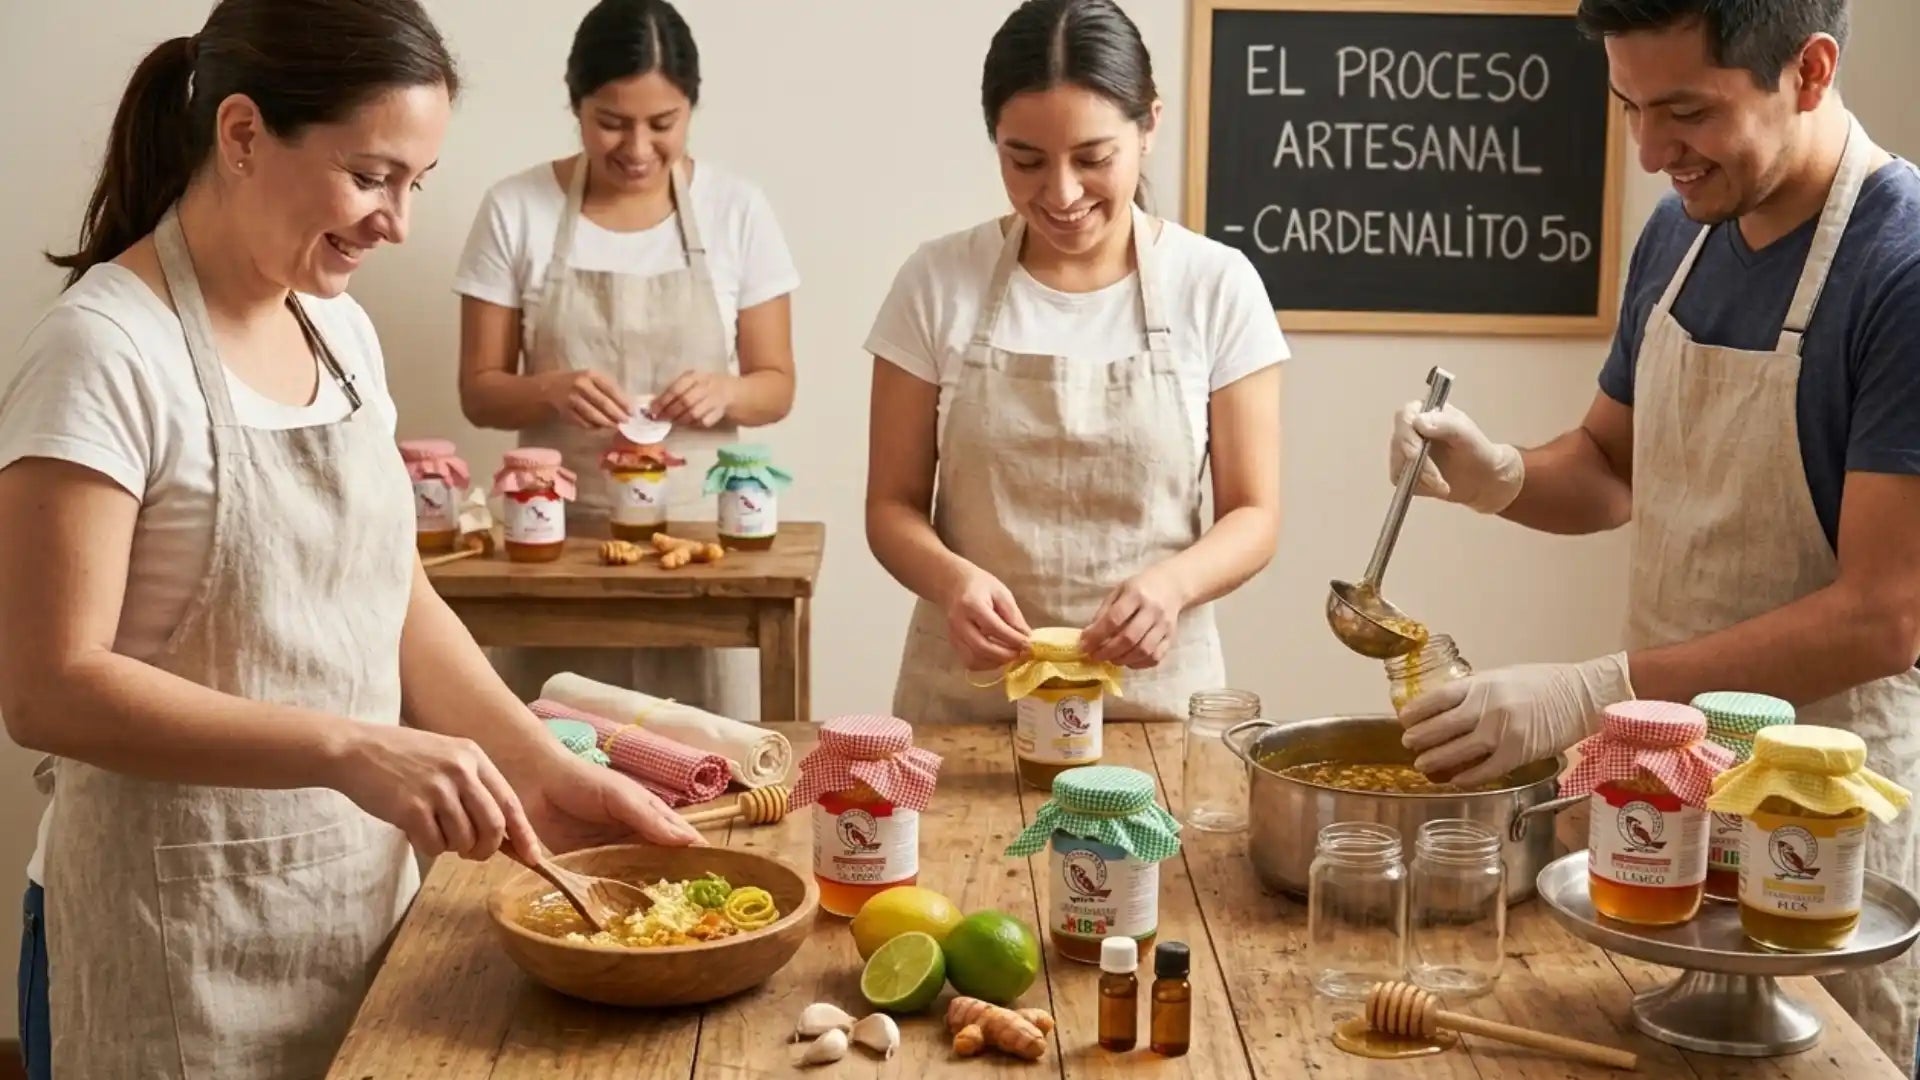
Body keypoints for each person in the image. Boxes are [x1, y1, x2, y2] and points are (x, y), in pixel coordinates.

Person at [0, 3, 702, 1076]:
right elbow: (49, 689)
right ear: (241, 135)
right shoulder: (103, 352)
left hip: (354, 919)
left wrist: (539, 769)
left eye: (415, 182)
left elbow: (395, 600)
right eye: (372, 177)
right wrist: (347, 747)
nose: (399, 222)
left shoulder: (338, 329)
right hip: (166, 943)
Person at [1384, 0, 1920, 1068]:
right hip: (1656, 799)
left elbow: (1886, 615)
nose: (1647, 152)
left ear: (1809, 71)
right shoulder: (1683, 231)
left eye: (1685, 111)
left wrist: (1594, 692)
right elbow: (1611, 466)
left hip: (1809, 835)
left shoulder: (1898, 268)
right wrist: (1496, 475)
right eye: (1629, 106)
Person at [866, 0, 1286, 723]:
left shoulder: (1216, 285)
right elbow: (891, 504)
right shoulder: (936, 281)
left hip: (1154, 712)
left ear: (1150, 125)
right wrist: (953, 582)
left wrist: (1174, 587)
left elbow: (1254, 512)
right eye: (1024, 159)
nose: (1060, 194)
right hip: (968, 705)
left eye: (1093, 159)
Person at [454, 0, 799, 717]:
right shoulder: (516, 209)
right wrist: (550, 388)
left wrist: (724, 393)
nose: (637, 148)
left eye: (662, 123)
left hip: (705, 551)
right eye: (611, 122)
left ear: (690, 110)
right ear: (575, 105)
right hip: (557, 549)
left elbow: (776, 386)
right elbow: (480, 394)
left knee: (709, 758)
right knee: (559, 751)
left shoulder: (737, 209)